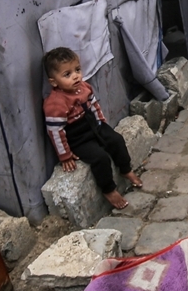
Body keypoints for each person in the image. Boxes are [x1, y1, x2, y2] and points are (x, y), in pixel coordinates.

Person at [42, 47, 141, 210]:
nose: (75, 76)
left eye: (77, 70)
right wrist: (65, 156)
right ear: (53, 81)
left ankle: (125, 169)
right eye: (67, 74)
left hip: (93, 125)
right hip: (77, 137)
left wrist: (101, 121)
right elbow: (55, 131)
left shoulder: (84, 87)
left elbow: (93, 104)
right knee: (100, 158)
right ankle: (109, 189)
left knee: (116, 140)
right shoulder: (55, 103)